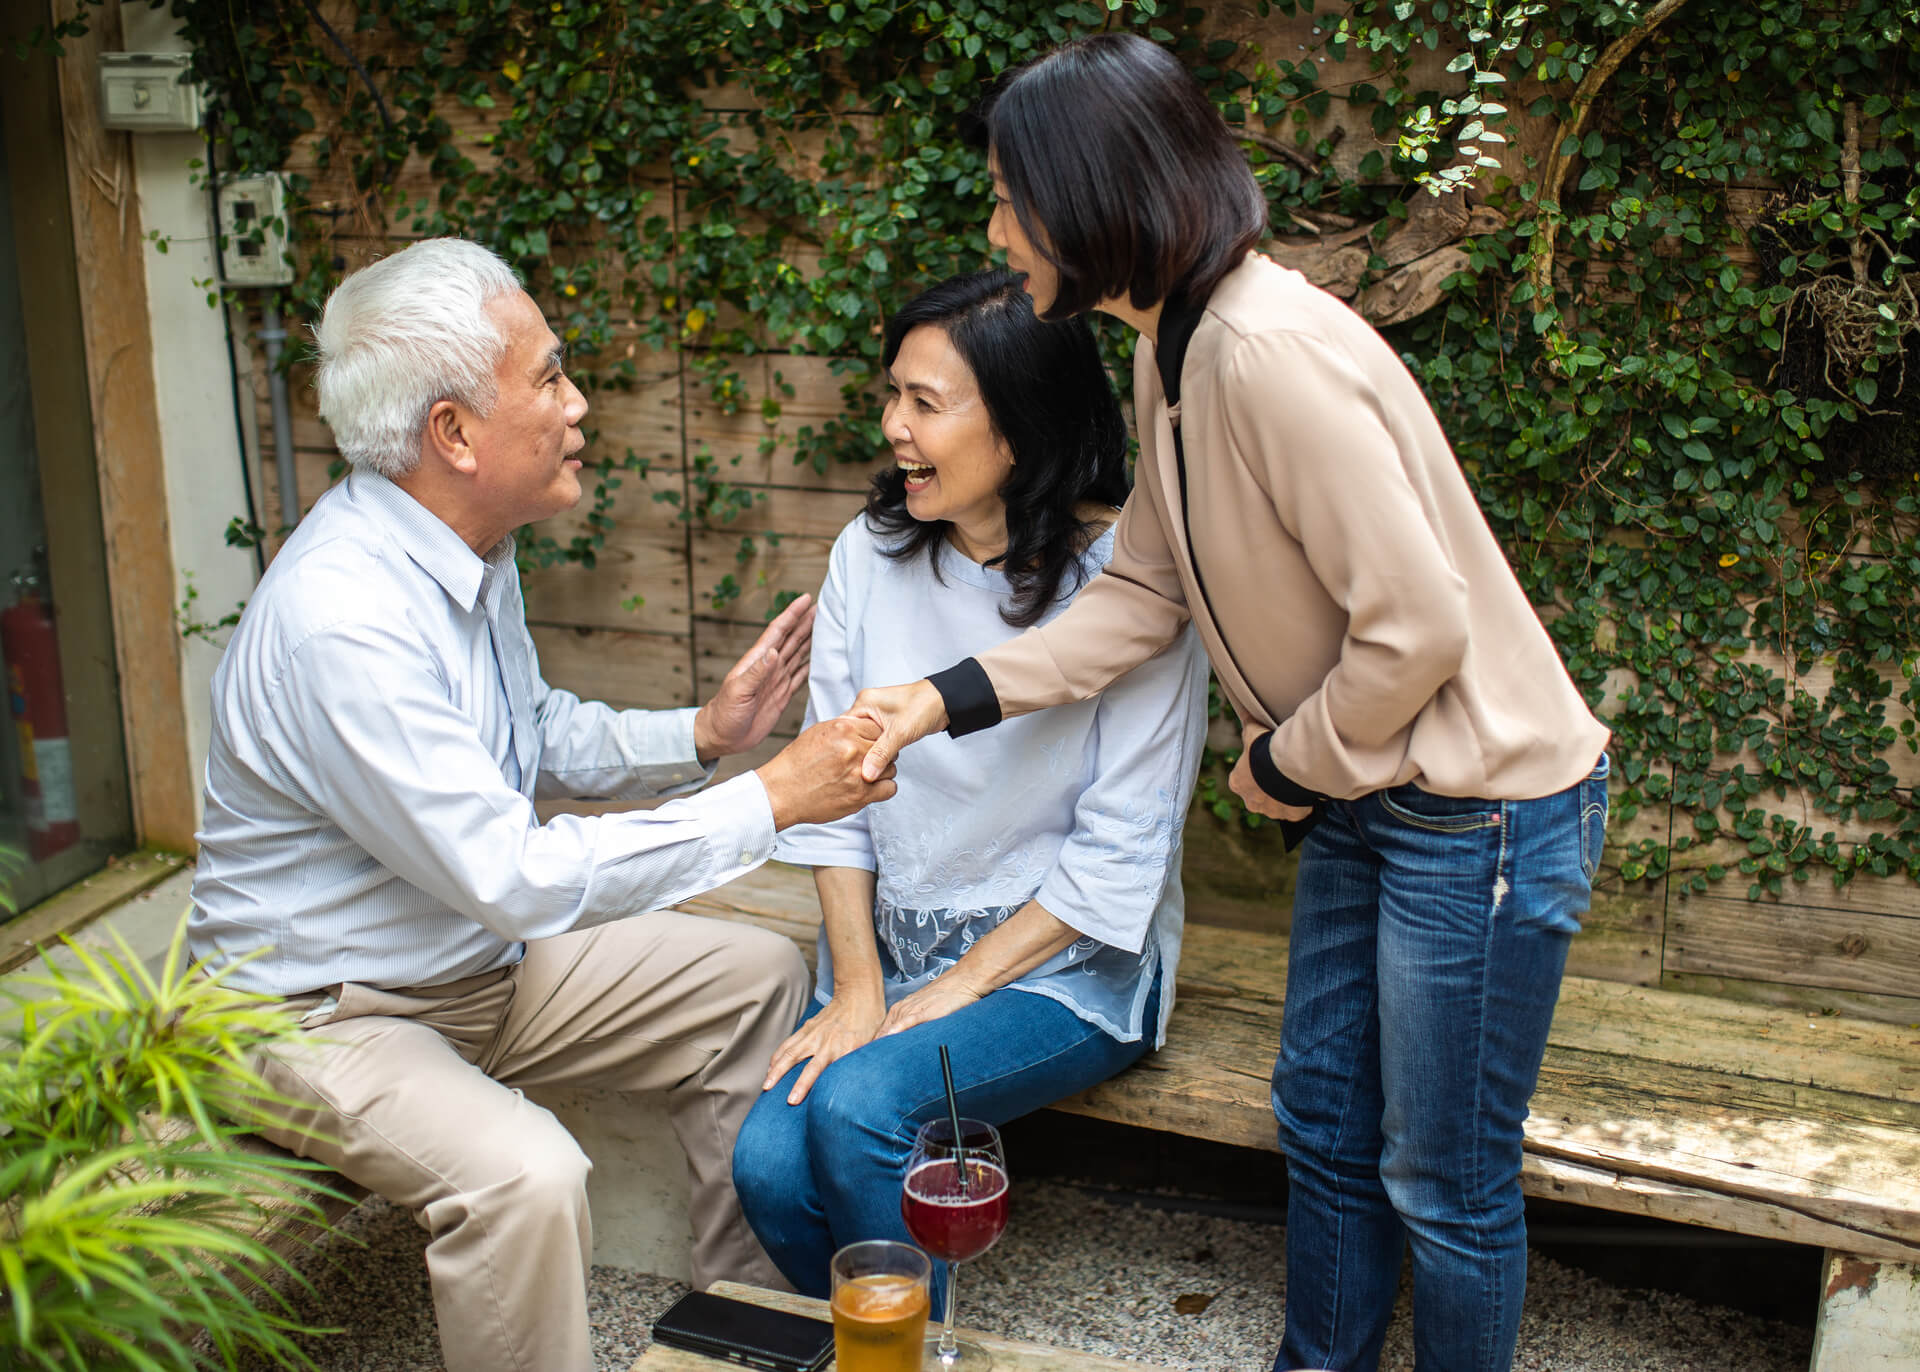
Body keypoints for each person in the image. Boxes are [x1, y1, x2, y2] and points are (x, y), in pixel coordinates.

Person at [846, 35, 1612, 1372]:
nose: (994, 229)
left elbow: (1418, 625)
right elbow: (1144, 588)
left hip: (1478, 816)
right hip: (1379, 794)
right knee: (1321, 1119)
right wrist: (940, 697)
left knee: (1445, 1182)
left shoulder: (1266, 354)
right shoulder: (1179, 345)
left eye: (1008, 197)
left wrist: (1291, 765)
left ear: (1090, 198)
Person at [187, 237, 896, 1372]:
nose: (578, 406)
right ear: (454, 434)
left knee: (753, 982)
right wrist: (770, 796)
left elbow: (530, 734)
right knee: (527, 1178)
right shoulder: (341, 620)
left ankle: (735, 1334)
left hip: (477, 967)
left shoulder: (470, 546)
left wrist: (704, 738)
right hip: (318, 1013)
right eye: (551, 377)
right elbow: (513, 870)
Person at [729, 270, 1209, 1304]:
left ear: (1022, 431)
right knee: (765, 1165)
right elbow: (832, 792)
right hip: (888, 949)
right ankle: (888, 1342)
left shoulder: (1132, 582)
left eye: (926, 403)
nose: (894, 427)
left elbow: (1119, 850)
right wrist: (863, 985)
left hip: (1065, 967)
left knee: (859, 1110)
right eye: (893, 393)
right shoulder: (869, 554)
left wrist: (953, 988)